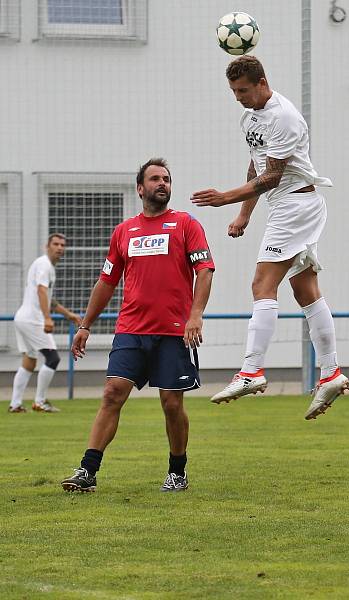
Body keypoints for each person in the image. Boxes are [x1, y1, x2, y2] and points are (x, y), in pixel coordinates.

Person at [191, 55, 348, 419]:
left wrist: (225, 197)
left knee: (262, 285)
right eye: (233, 91)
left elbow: (273, 175)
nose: (238, 97)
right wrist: (244, 214)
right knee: (305, 290)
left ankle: (251, 371)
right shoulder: (250, 116)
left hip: (295, 204)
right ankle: (331, 372)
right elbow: (257, 163)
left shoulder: (285, 116)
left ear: (262, 82)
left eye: (243, 90)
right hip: (287, 207)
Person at [60, 158, 214, 493]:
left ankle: (177, 472)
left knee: (172, 404)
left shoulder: (186, 224)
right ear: (140, 188)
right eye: (156, 179)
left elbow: (205, 271)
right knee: (112, 393)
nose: (163, 184)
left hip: (175, 331)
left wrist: (195, 314)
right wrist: (85, 325)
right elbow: (106, 281)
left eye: (167, 179)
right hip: (131, 329)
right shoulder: (124, 231)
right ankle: (88, 471)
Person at [8, 234, 81, 413]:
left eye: (62, 245)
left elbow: (49, 299)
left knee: (30, 361)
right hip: (33, 320)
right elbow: (42, 291)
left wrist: (68, 315)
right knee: (52, 358)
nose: (59, 248)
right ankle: (39, 402)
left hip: (22, 319)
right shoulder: (44, 264)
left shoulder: (47, 266)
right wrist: (47, 318)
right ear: (46, 246)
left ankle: (15, 404)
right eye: (55, 244)